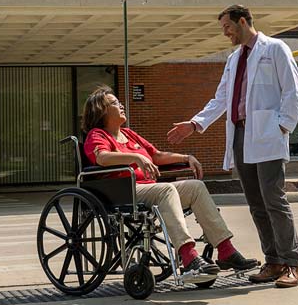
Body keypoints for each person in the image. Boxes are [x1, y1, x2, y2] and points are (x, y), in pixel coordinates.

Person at [167, 4, 298, 288]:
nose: (225, 33)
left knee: (274, 201)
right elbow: (220, 100)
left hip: (267, 134)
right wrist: (194, 124)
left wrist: (282, 127)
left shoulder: (275, 49)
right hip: (241, 136)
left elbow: (293, 91)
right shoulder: (233, 59)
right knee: (256, 203)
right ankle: (273, 261)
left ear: (242, 21)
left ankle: (291, 263)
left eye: (227, 27)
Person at [82, 86, 259, 283]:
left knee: (195, 187)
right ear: (101, 110)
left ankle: (226, 250)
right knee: (165, 189)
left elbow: (156, 156)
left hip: (150, 189)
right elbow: (102, 158)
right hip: (124, 191)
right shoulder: (97, 135)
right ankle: (188, 256)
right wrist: (135, 158)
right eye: (114, 103)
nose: (121, 105)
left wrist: (187, 157)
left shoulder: (129, 134)